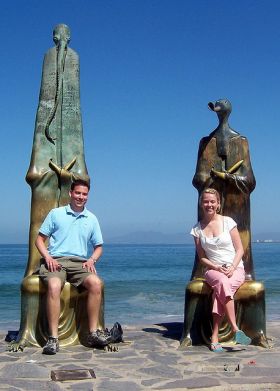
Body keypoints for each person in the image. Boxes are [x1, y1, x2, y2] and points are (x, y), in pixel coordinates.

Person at [36, 179, 108, 354]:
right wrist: (47, 257)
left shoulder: (91, 218)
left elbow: (99, 247)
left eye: (84, 194)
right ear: (70, 193)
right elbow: (39, 240)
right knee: (54, 285)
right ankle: (53, 339)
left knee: (96, 284)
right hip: (56, 260)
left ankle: (93, 333)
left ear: (87, 196)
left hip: (79, 263)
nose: (80, 197)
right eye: (78, 193)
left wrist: (92, 260)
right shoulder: (56, 214)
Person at [190, 188, 252, 352]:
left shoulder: (228, 222)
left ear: (218, 204)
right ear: (201, 203)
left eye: (212, 201)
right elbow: (202, 257)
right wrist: (215, 267)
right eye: (205, 201)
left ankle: (215, 336)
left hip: (235, 268)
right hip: (213, 271)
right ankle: (235, 329)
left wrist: (232, 267)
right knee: (222, 282)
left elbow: (240, 249)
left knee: (221, 292)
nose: (209, 204)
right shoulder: (197, 230)